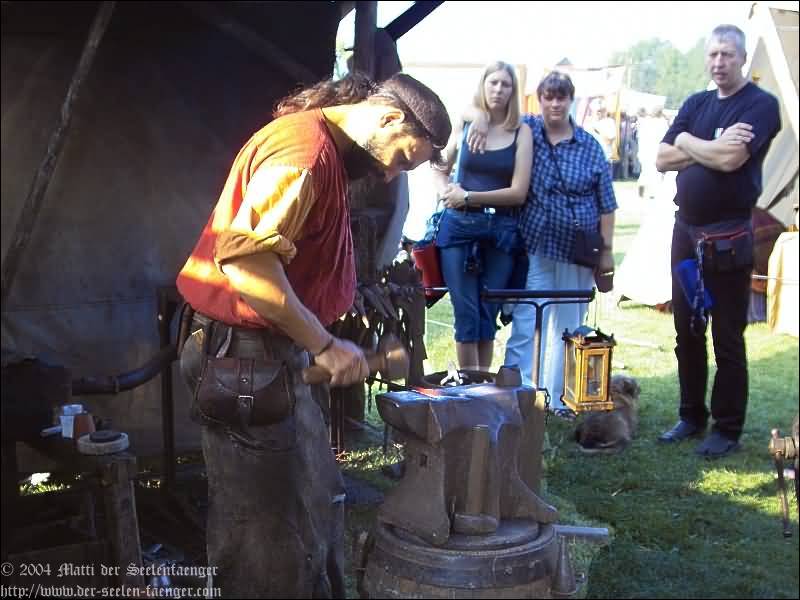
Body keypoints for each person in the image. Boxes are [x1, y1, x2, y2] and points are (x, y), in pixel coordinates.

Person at [175, 72, 451, 598]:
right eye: (401, 159)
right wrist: (323, 344)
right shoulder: (303, 154)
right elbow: (246, 261)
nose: (390, 175)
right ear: (389, 118)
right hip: (246, 364)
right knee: (265, 538)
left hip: (272, 359)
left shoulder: (321, 150)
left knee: (311, 505)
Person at [655, 24, 781, 457]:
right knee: (687, 329)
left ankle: (726, 429)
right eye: (713, 54)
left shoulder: (761, 105)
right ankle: (691, 415)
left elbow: (731, 160)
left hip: (728, 236)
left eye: (727, 54)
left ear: (742, 57)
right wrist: (701, 142)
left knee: (727, 334)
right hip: (686, 234)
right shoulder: (697, 103)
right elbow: (661, 158)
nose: (719, 62)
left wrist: (686, 144)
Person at [469, 71, 617, 408]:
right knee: (527, 320)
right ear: (540, 100)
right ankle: (517, 394)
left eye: (561, 97)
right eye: (548, 97)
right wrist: (478, 116)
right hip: (534, 247)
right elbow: (488, 110)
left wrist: (607, 251)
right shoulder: (527, 129)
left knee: (568, 325)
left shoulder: (590, 146)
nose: (555, 104)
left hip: (576, 251)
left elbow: (607, 205)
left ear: (571, 100)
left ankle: (559, 398)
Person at [434, 61, 533, 371]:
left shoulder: (522, 131)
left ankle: (482, 387)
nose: (499, 90)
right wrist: (446, 193)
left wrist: (468, 196)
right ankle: (469, 388)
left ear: (513, 91)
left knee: (487, 314)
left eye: (506, 84)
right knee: (466, 315)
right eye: (493, 83)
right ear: (483, 85)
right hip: (459, 226)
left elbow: (518, 192)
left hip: (501, 229)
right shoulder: (467, 123)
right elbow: (438, 164)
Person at [637, 106, 669, 198]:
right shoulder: (663, 123)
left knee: (645, 171)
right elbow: (666, 138)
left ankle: (641, 186)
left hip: (644, 151)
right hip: (656, 150)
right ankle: (652, 193)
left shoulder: (645, 122)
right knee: (656, 173)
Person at [586, 100, 617, 181]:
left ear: (605, 111)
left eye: (601, 110)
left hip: (604, 159)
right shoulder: (588, 122)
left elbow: (609, 140)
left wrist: (598, 130)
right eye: (597, 111)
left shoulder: (609, 122)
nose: (599, 113)